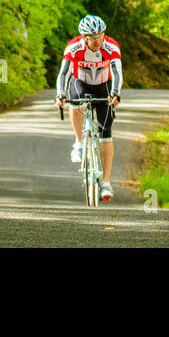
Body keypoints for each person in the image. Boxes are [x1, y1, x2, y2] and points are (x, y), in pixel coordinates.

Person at [55, 14, 122, 201]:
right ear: (84, 37)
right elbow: (64, 73)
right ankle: (78, 142)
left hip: (104, 84)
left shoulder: (111, 46)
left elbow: (117, 72)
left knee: (106, 133)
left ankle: (106, 183)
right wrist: (60, 94)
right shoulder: (74, 47)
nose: (97, 40)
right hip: (81, 81)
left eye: (100, 36)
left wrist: (115, 92)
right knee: (75, 100)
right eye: (93, 38)